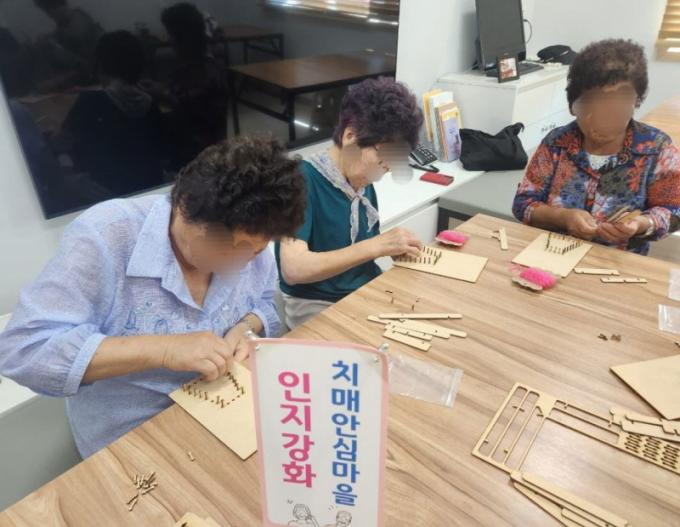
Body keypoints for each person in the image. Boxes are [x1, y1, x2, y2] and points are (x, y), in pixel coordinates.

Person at [0, 137, 306, 458]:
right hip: (132, 437)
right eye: (225, 246)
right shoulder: (106, 236)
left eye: (253, 251)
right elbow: (24, 350)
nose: (238, 264)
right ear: (183, 206)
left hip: (223, 414)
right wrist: (165, 349)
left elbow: (264, 302)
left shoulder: (253, 239)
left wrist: (247, 327)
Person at [276, 77, 424, 329]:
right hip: (317, 304)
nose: (389, 167)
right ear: (350, 136)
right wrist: (376, 245)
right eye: (385, 155)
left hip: (362, 291)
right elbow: (294, 268)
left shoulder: (361, 180)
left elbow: (360, 253)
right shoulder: (301, 180)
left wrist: (390, 247)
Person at [512, 39, 680, 255]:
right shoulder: (557, 142)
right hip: (552, 254)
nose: (607, 113)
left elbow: (673, 212)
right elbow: (523, 203)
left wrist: (640, 224)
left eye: (621, 99)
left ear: (636, 102)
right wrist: (563, 217)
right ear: (573, 105)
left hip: (616, 261)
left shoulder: (657, 148)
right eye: (593, 100)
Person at [61, 30, 167, 195]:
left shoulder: (90, 103)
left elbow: (63, 142)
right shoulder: (150, 103)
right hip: (151, 184)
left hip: (107, 191)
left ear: (101, 66)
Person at [158, 2, 227, 167]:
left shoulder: (198, 72)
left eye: (171, 35)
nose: (169, 40)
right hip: (211, 149)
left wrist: (160, 93)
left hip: (198, 154)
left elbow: (186, 106)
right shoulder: (208, 65)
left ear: (182, 38)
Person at [33, 0, 103, 91]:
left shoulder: (77, 30)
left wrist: (55, 82)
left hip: (90, 84)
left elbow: (85, 67)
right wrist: (48, 38)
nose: (50, 17)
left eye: (49, 13)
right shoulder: (75, 17)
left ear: (55, 8)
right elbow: (60, 35)